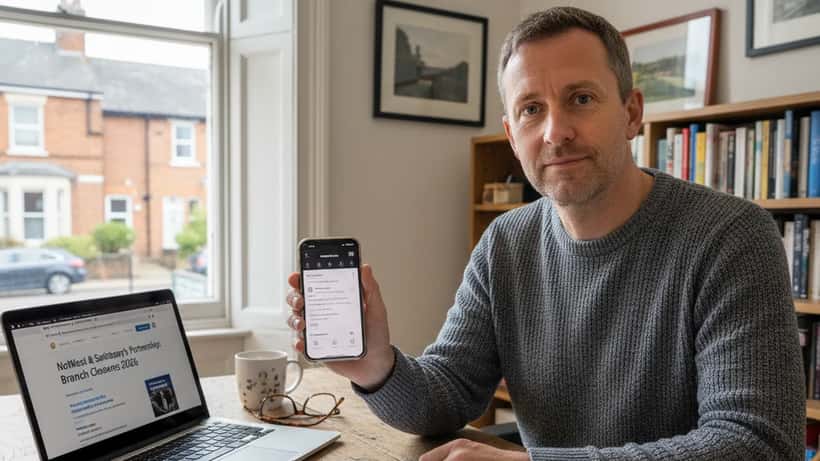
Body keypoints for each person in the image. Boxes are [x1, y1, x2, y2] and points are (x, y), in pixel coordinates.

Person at [286, 7, 804, 460]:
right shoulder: (505, 242)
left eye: (581, 98)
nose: (556, 132)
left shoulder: (732, 237)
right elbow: (447, 395)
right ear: (512, 136)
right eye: (531, 109)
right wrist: (375, 364)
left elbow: (757, 444)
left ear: (631, 113)